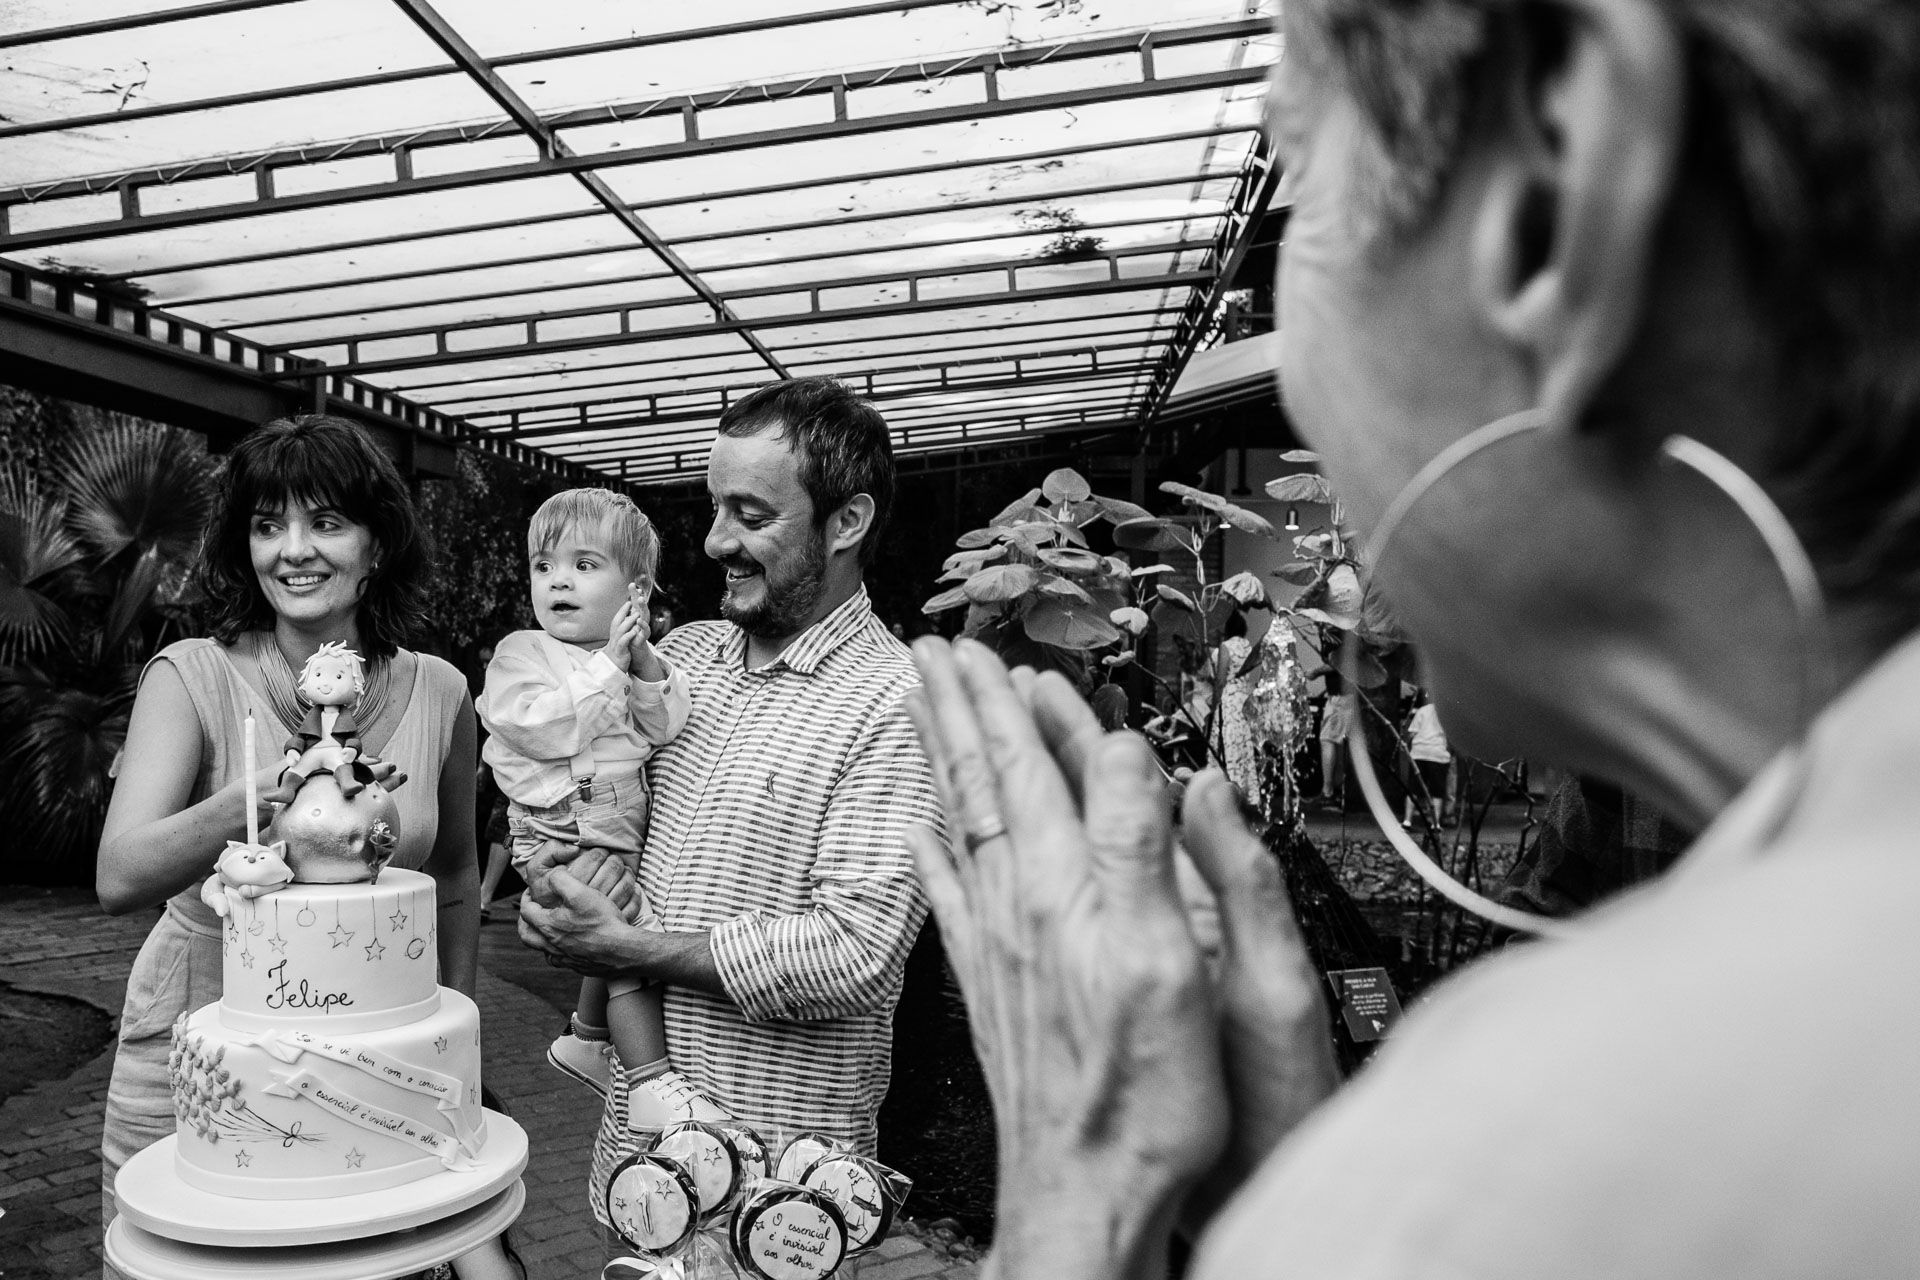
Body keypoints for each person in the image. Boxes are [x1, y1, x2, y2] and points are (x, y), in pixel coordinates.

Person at [899, 1, 1920, 1276]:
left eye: (1299, 177)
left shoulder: (1549, 1144)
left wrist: (1080, 1196)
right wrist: (1301, 1190)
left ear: (1552, 198)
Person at [515, 377, 942, 1258]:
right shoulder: (682, 661)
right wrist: (559, 896)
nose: (715, 540)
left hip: (776, 1200)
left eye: (750, 514)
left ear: (847, 522)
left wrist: (628, 950)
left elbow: (854, 954)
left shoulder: (899, 703)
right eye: (715, 507)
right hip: (637, 1164)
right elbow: (595, 813)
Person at [95, 415, 481, 1274]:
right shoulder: (191, 675)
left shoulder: (443, 692)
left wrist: (451, 1044)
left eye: (326, 522)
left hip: (376, 1069)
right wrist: (248, 800)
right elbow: (118, 877)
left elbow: (455, 873)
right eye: (268, 525)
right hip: (204, 1054)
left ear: (377, 544)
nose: (294, 550)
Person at [477, 487, 725, 1127]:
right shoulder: (521, 653)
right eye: (544, 565)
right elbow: (544, 730)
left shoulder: (635, 660)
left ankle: (587, 1039)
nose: (558, 580)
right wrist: (608, 669)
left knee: (607, 925)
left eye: (584, 565)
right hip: (560, 823)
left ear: (634, 593)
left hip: (616, 816)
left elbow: (664, 725)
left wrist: (641, 665)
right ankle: (649, 1080)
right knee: (625, 933)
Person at [1400, 687, 1452, 829]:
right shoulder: (1448, 714)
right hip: (1438, 754)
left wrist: (1405, 745)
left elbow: (1411, 733)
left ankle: (1407, 821)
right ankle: (1435, 824)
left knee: (1413, 789)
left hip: (1419, 753)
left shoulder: (1422, 711)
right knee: (1437, 792)